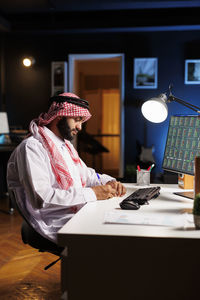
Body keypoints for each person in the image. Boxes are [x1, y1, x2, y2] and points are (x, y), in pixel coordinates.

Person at [7, 92, 126, 243]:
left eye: (81, 121)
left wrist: (109, 181)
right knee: (114, 237)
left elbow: (87, 175)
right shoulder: (31, 147)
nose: (80, 127)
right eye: (77, 120)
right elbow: (41, 198)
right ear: (60, 116)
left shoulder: (65, 145)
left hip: (76, 212)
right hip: (53, 222)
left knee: (118, 225)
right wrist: (93, 193)